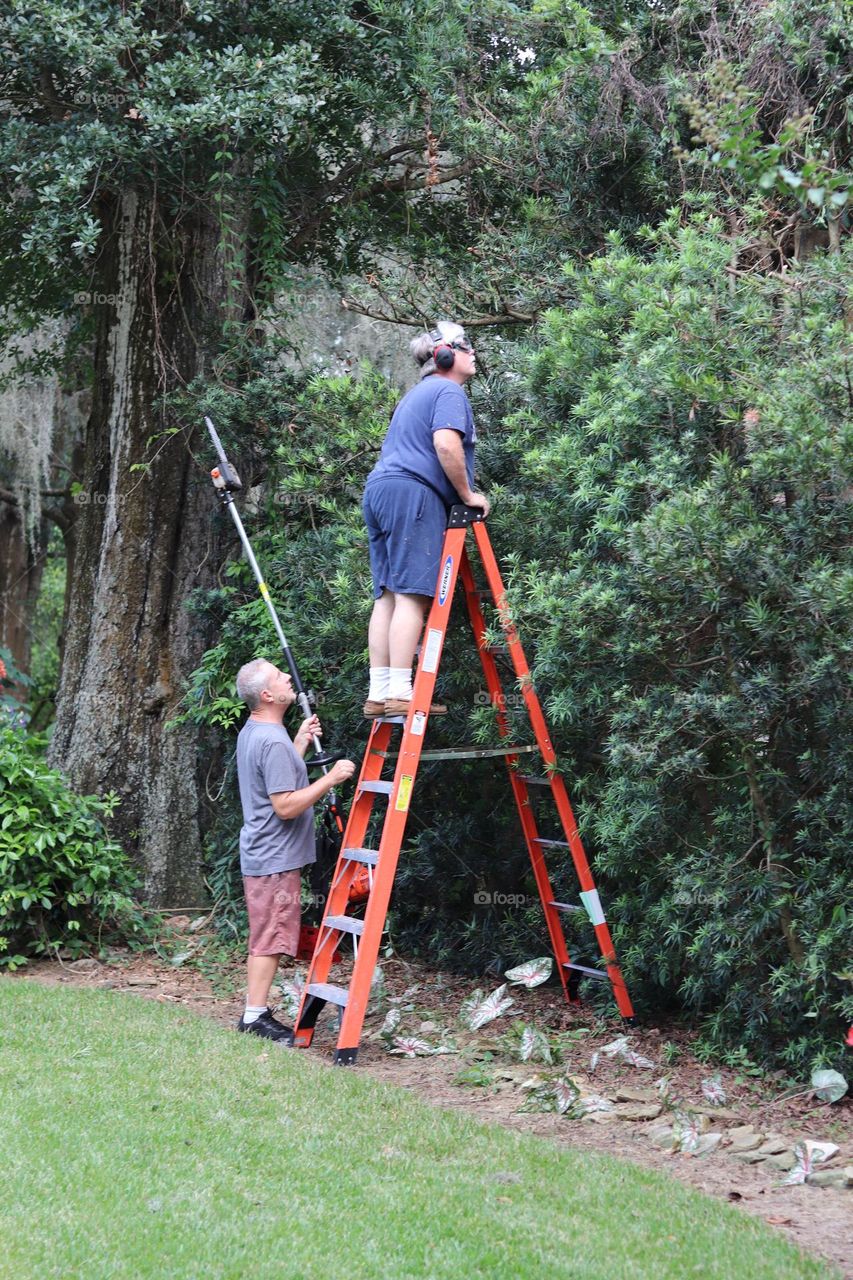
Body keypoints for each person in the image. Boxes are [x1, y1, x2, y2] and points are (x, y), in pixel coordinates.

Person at [361, 320, 491, 718]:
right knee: (413, 596)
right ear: (446, 355)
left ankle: (379, 691)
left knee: (387, 595)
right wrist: (469, 495)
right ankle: (401, 691)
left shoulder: (416, 394)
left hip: (381, 490)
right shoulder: (448, 391)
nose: (473, 354)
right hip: (413, 494)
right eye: (465, 347)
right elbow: (445, 443)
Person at [234, 657, 356, 1041]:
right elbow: (284, 805)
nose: (289, 677)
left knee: (269, 934)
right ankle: (254, 1016)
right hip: (273, 857)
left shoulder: (259, 732)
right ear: (268, 694)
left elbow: (277, 776)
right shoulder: (270, 739)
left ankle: (255, 1012)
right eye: (279, 676)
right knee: (268, 937)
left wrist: (299, 742)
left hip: (267, 853)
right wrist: (332, 777)